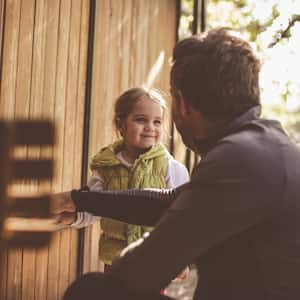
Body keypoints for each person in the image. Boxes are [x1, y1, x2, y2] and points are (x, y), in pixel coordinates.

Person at [53, 28, 300, 300]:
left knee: (92, 292)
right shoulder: (265, 148)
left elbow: (141, 270)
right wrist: (80, 200)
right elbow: (167, 202)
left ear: (182, 103)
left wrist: (124, 263)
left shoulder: (239, 157)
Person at [56, 87, 189, 272]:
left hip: (155, 262)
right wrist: (74, 218)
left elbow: (181, 220)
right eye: (141, 120)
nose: (150, 127)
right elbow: (94, 206)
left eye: (157, 122)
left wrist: (180, 259)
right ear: (121, 125)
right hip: (115, 262)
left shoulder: (171, 168)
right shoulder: (106, 168)